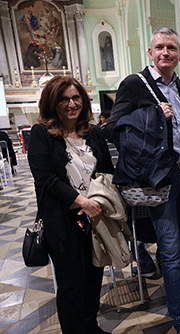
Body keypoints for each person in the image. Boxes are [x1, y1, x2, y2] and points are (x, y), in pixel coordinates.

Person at [105, 27, 180, 334]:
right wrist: (151, 114)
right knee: (171, 249)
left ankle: (178, 302)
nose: (165, 52)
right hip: (160, 180)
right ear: (150, 52)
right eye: (159, 47)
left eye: (171, 48)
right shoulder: (135, 84)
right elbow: (111, 127)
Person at [28, 76, 114, 334]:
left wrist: (95, 203)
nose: (71, 104)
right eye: (64, 99)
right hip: (62, 221)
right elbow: (45, 180)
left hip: (93, 218)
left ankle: (91, 325)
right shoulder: (42, 134)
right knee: (71, 284)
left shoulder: (94, 132)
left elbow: (107, 172)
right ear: (52, 103)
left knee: (93, 277)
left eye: (76, 98)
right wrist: (81, 202)